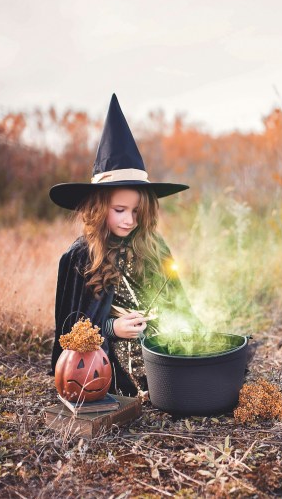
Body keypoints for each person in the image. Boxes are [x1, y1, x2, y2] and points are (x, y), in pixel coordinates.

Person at [49, 94, 201, 397]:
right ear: (98, 207)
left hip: (163, 350)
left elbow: (177, 302)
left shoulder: (154, 245)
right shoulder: (80, 257)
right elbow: (71, 331)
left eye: (136, 211)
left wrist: (179, 328)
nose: (129, 220)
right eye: (119, 210)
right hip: (110, 362)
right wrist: (111, 329)